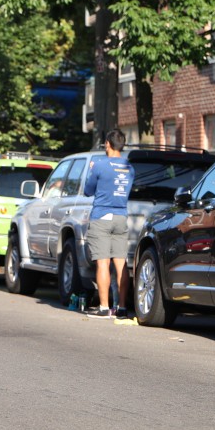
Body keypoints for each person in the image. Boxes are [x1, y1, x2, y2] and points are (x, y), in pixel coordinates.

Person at [83, 128, 134, 319]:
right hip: (121, 217)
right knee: (121, 264)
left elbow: (88, 191)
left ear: (107, 144)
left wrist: (91, 171)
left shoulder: (100, 166)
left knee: (103, 263)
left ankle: (104, 308)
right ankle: (122, 308)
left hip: (102, 217)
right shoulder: (130, 168)